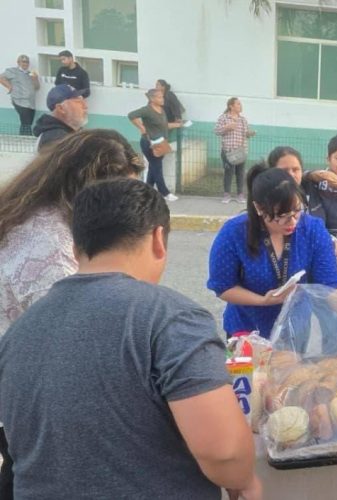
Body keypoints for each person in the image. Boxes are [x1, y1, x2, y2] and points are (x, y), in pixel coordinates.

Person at [0, 178, 261, 499]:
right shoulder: (170, 317)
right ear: (157, 239)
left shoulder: (19, 331)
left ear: (75, 246)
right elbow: (224, 452)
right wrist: (245, 482)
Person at [0, 129, 143, 498]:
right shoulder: (48, 242)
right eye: (118, 196)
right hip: (27, 394)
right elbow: (75, 326)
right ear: (89, 185)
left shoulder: (39, 217)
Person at [207, 164, 337, 339]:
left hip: (295, 332)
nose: (292, 221)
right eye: (281, 216)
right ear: (259, 208)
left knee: (290, 365)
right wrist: (263, 301)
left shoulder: (312, 230)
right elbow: (223, 286)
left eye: (297, 211)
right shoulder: (234, 232)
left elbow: (331, 285)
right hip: (247, 331)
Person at [128, 88, 183, 201]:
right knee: (157, 167)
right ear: (152, 99)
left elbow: (164, 126)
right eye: (159, 97)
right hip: (150, 143)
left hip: (161, 143)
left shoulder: (162, 110)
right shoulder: (147, 110)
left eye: (162, 97)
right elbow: (131, 115)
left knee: (154, 168)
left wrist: (177, 125)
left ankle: (146, 192)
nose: (162, 99)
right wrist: (141, 127)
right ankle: (165, 193)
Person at [215, 97, 255, 204]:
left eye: (240, 104)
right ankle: (226, 194)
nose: (240, 106)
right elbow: (217, 131)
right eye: (238, 104)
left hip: (240, 151)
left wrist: (250, 133)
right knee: (229, 172)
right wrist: (227, 127)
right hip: (228, 151)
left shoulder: (243, 120)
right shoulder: (223, 118)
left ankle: (240, 194)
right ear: (231, 106)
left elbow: (245, 133)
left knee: (240, 173)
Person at [267, 146, 325, 219]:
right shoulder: (266, 201)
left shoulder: (312, 188)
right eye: (284, 171)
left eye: (295, 169)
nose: (291, 175)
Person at [32, 84, 87, 151]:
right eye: (78, 102)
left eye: (83, 101)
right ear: (61, 108)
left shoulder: (65, 134)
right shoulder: (56, 138)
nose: (85, 106)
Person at [0, 55, 39, 136]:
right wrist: (9, 86)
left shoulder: (30, 74)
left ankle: (24, 138)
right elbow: (1, 77)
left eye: (27, 62)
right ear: (18, 62)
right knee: (26, 121)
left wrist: (35, 79)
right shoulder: (12, 71)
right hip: (19, 100)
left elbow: (37, 87)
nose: (25, 64)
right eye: (23, 61)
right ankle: (26, 139)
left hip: (30, 102)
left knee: (28, 122)